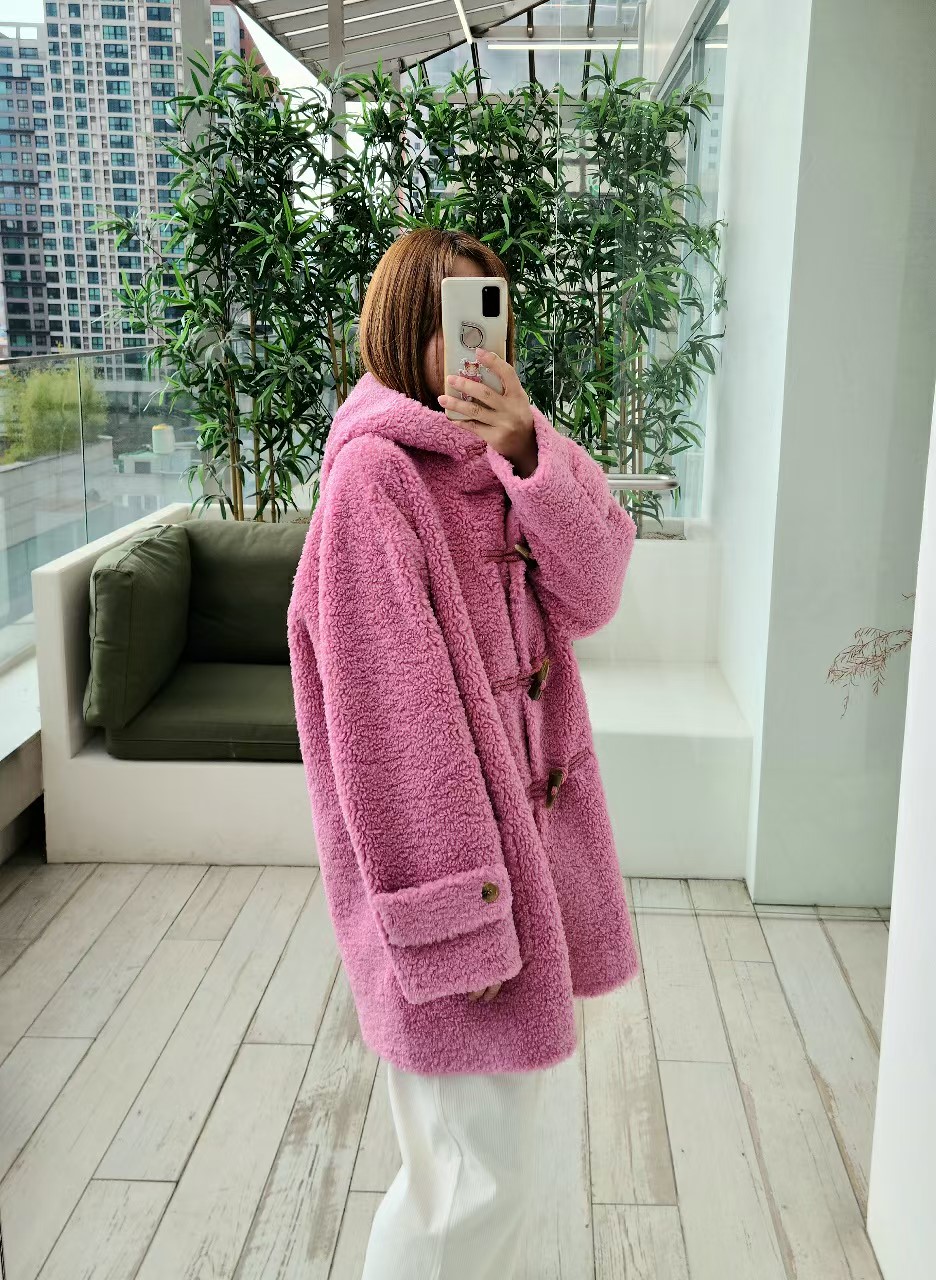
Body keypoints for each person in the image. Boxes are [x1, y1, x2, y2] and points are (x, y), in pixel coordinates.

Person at [287, 227, 639, 1279]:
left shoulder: (500, 457)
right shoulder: (376, 480)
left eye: (490, 312)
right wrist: (459, 934)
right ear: (406, 327)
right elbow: (392, 736)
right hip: (463, 901)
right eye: (452, 315)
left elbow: (595, 594)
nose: (477, 339)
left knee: (483, 1170)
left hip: (521, 882)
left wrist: (531, 452)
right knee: (464, 1186)